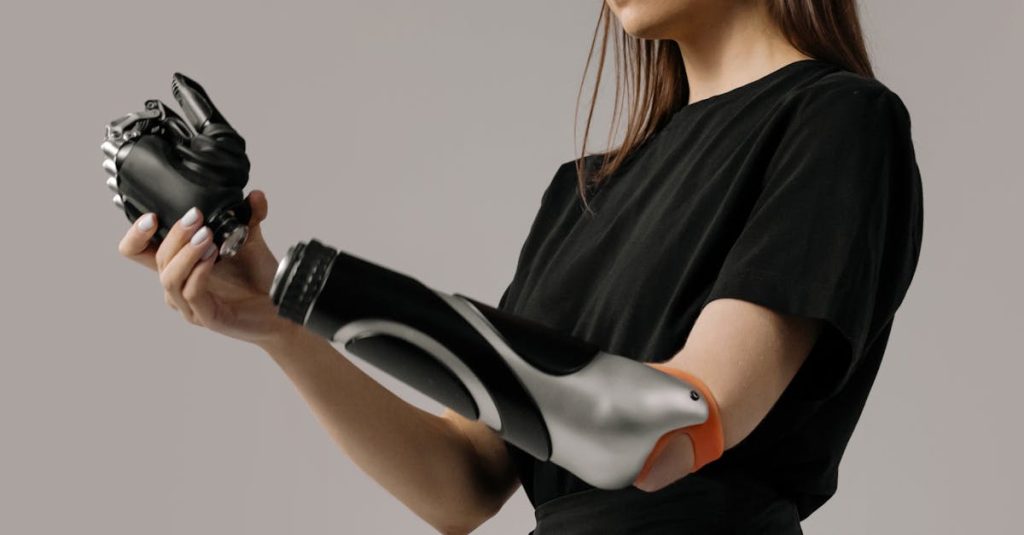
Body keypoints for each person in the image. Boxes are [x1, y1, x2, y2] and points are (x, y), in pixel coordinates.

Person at [114, 0, 923, 533]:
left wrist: (314, 284)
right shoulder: (582, 193)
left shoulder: (838, 123)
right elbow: (461, 484)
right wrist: (273, 314)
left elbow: (668, 427)